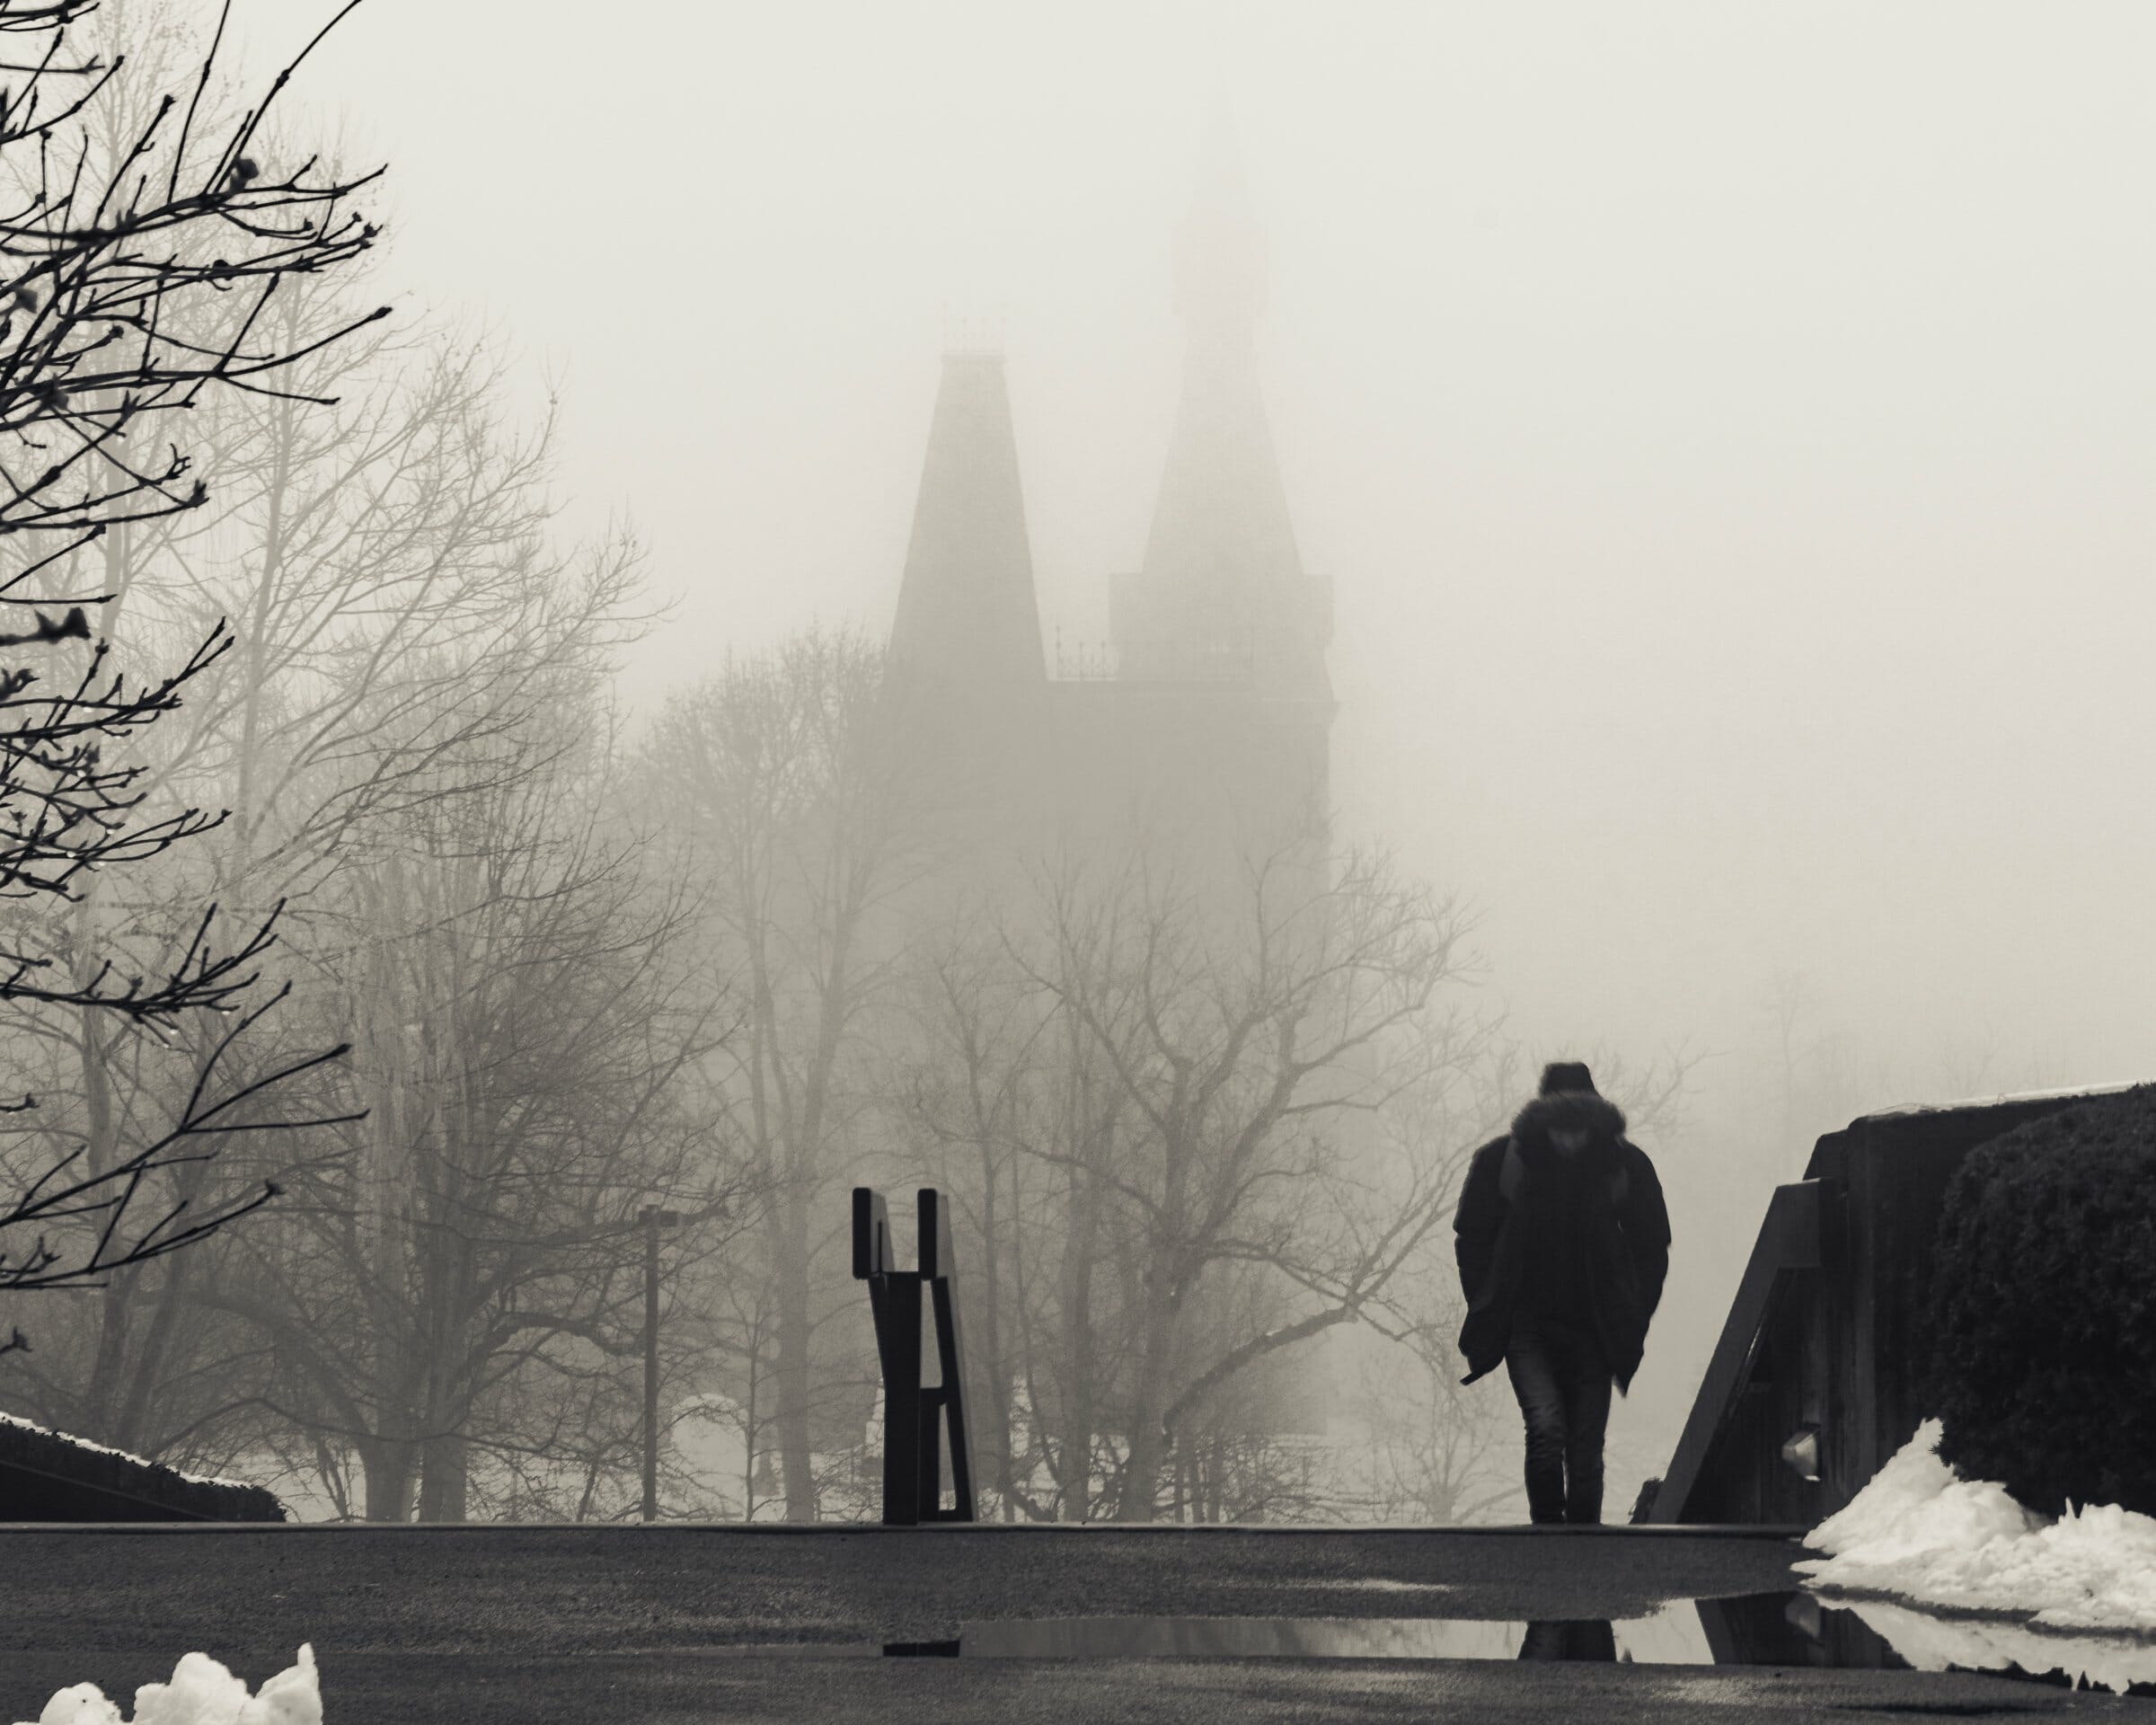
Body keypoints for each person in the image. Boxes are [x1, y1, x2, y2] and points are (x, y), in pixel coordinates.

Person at [1453, 1060, 1671, 1525]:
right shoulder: (1502, 1163)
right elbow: (1472, 1238)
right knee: (1547, 1429)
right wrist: (1489, 1301)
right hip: (1526, 1323)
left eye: (1579, 1128)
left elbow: (1652, 1246)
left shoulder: (1623, 1166)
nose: (1569, 1139)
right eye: (1560, 1128)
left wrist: (1632, 1310)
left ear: (1595, 1125)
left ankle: (1582, 1552)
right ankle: (1549, 1543)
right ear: (1543, 1124)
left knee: (1586, 1448)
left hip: (1595, 1324)